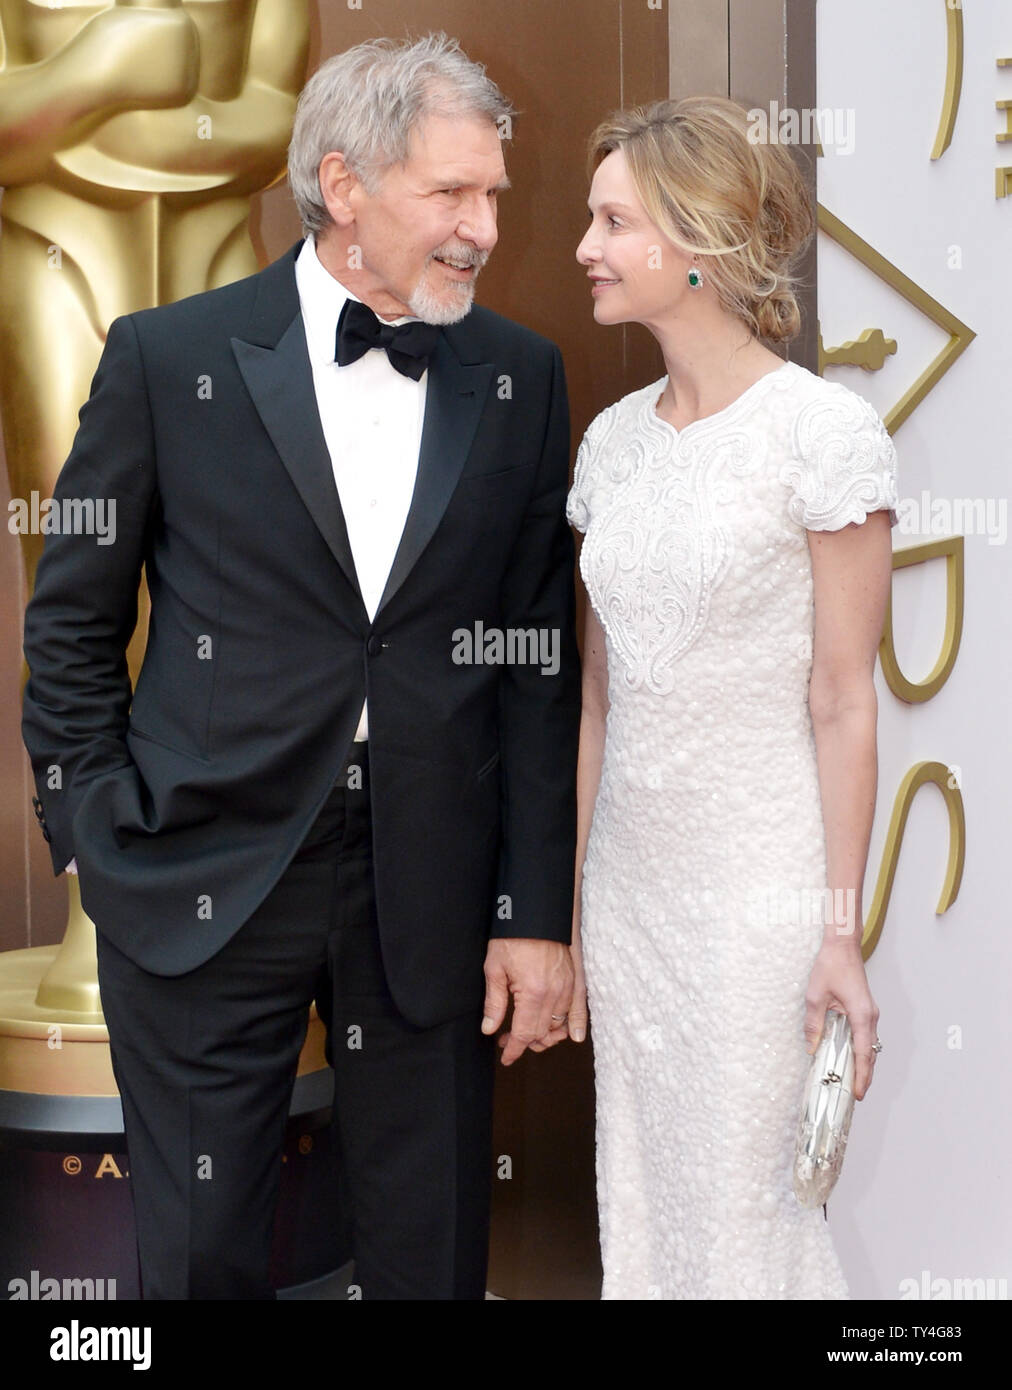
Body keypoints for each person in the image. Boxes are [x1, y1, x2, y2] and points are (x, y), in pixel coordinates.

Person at [21, 33, 580, 1301]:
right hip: (204, 868)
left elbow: (535, 669)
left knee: (428, 1247)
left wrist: (532, 911)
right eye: (452, 193)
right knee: (202, 1254)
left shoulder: (519, 376)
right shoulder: (170, 358)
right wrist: (90, 826)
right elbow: (70, 622)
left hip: (431, 885)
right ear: (342, 185)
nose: (483, 226)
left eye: (491, 192)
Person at [564, 96, 896, 1299]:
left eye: (611, 220)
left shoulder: (822, 434)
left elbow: (842, 703)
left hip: (760, 899)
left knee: (749, 1218)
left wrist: (837, 932)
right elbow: (596, 701)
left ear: (695, 236)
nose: (584, 249)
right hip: (630, 901)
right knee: (645, 1210)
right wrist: (570, 905)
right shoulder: (608, 446)